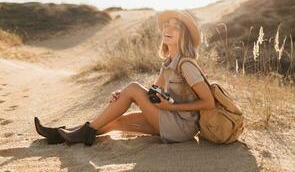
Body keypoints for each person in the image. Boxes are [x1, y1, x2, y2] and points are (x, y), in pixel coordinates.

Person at [34, 10, 215, 146]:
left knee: (133, 87)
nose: (169, 28)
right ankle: (59, 134)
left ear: (185, 36)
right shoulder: (168, 63)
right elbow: (152, 93)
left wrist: (171, 106)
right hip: (169, 118)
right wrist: (123, 96)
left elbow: (208, 102)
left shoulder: (186, 65)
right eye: (168, 24)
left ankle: (78, 134)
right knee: (116, 121)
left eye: (176, 27)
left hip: (182, 127)